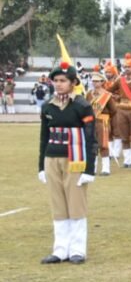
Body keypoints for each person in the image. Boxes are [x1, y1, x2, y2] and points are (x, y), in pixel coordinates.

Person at [38, 61, 96, 264]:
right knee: (58, 206)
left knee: (76, 204)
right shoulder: (48, 106)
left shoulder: (82, 106)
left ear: (73, 82)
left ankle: (77, 249)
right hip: (52, 158)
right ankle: (60, 249)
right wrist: (41, 167)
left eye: (63, 80)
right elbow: (44, 137)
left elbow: (90, 138)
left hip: (75, 160)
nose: (58, 84)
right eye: (55, 80)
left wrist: (90, 168)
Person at [86, 71, 117, 176]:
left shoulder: (107, 95)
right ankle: (92, 168)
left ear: (102, 82)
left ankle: (105, 168)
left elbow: (113, 110)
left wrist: (106, 117)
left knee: (103, 145)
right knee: (91, 145)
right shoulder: (89, 94)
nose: (95, 83)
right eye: (93, 81)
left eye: (97, 81)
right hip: (91, 122)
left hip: (102, 121)